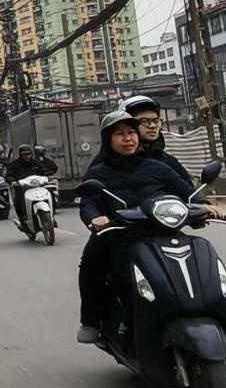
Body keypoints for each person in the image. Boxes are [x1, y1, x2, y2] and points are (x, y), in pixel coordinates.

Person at [74, 109, 194, 342]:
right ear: (109, 140)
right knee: (90, 263)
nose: (128, 138)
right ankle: (92, 321)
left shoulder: (158, 167)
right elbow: (88, 203)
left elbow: (185, 191)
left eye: (131, 132)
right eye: (120, 134)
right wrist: (95, 218)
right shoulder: (99, 172)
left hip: (161, 232)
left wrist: (204, 205)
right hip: (119, 236)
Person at [122, 94, 194, 186]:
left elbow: (190, 194)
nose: (152, 126)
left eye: (156, 121)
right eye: (144, 121)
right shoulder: (112, 162)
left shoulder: (168, 161)